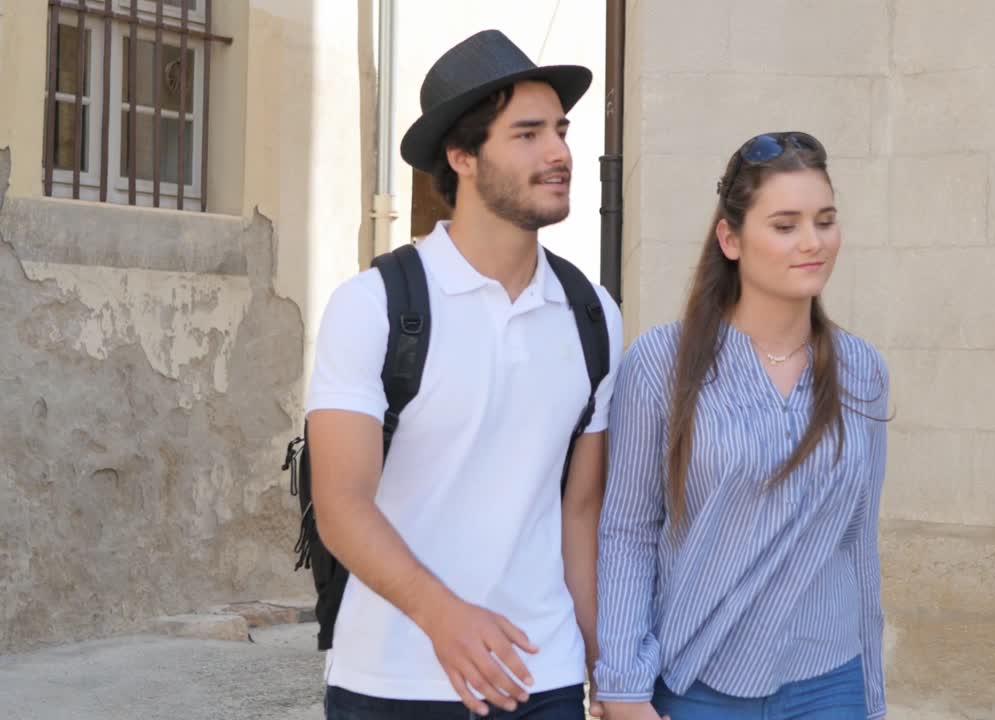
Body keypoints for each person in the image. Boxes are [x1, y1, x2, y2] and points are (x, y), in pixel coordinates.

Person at [305, 30, 621, 719]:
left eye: (560, 131)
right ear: (462, 156)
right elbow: (341, 504)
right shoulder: (375, 307)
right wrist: (443, 616)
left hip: (543, 676)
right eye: (528, 134)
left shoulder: (593, 313)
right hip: (392, 681)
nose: (559, 153)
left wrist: (606, 665)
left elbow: (579, 512)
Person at [594, 131, 891, 720]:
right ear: (730, 239)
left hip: (831, 682)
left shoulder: (862, 370)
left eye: (825, 221)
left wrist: (871, 696)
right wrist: (623, 685)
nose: (812, 242)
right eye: (785, 225)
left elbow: (858, 541)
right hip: (699, 683)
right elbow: (628, 532)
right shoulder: (661, 363)